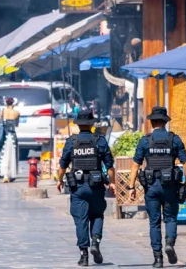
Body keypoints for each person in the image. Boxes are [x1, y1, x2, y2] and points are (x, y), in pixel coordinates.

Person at [133, 104, 186, 268]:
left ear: (152, 122)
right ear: (165, 122)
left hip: (151, 187)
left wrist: (130, 187)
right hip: (170, 186)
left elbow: (135, 165)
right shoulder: (174, 139)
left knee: (154, 222)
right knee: (171, 218)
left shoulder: (145, 140)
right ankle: (169, 244)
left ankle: (158, 258)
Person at [58, 106, 114, 268]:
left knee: (80, 220)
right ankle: (95, 242)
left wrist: (60, 180)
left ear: (78, 124)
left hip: (78, 187)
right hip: (96, 186)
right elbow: (109, 166)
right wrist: (112, 183)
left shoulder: (72, 141)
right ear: (91, 124)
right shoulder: (100, 140)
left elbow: (63, 165)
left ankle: (84, 255)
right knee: (97, 215)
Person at [0, 97, 19, 182]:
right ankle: (11, 173)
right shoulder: (16, 113)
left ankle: (4, 174)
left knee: (3, 154)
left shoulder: (2, 111)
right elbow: (16, 125)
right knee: (12, 154)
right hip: (12, 135)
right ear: (13, 104)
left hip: (4, 135)